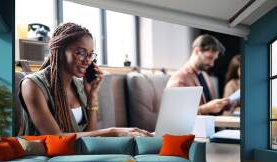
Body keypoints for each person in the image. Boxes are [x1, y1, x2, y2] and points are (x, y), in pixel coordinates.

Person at [18, 22, 152, 138]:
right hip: (45, 160)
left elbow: (91, 137)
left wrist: (91, 96)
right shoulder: (32, 85)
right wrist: (113, 131)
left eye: (90, 54)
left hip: (77, 157)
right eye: (80, 53)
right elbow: (55, 138)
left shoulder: (78, 85)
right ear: (58, 53)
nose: (87, 61)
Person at [166, 34, 230, 115]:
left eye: (214, 59)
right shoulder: (179, 79)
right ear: (197, 51)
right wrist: (205, 109)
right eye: (209, 58)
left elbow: (210, 106)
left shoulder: (204, 75)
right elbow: (176, 114)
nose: (212, 64)